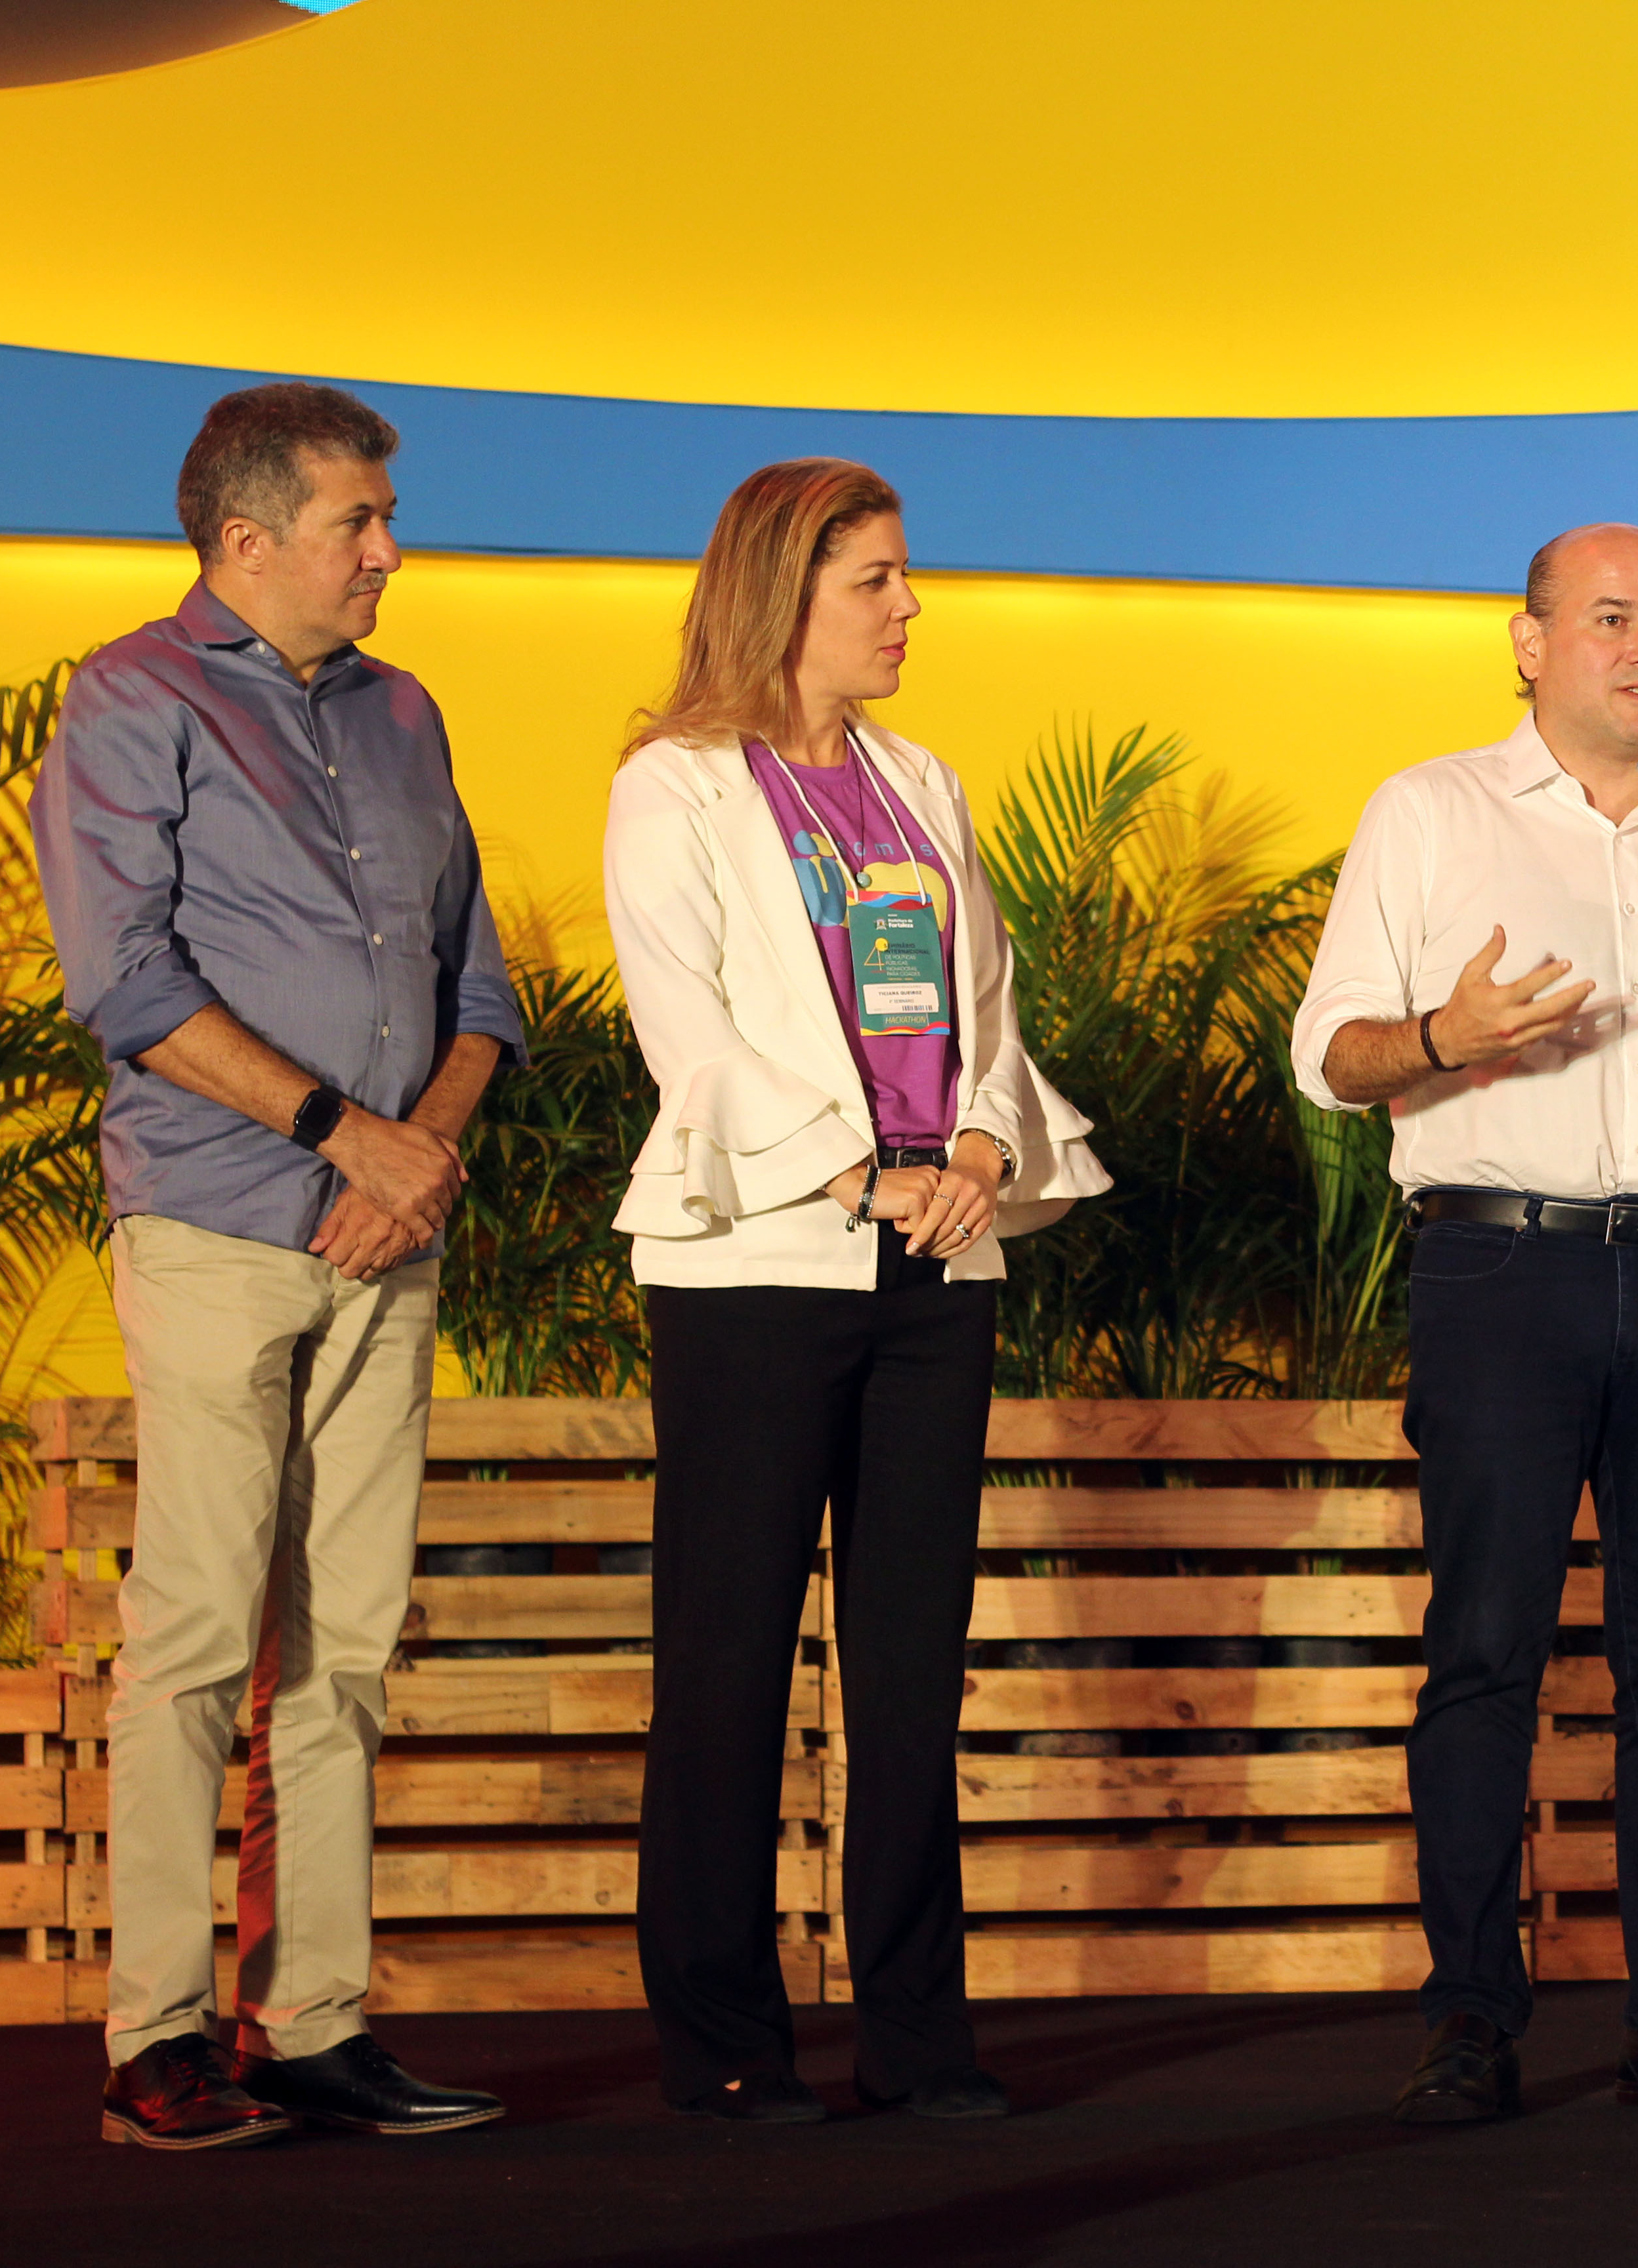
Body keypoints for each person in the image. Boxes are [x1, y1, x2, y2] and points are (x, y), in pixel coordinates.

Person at [1292, 522, 1638, 2122]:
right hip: (1502, 1269)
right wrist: (1445, 1037)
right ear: (1530, 644)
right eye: (1613, 620)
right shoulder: (1430, 810)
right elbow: (1338, 1054)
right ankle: (1469, 2017)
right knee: (1485, 1654)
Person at [35, 383, 526, 2147]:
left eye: (384, 521)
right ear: (244, 541)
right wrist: (344, 1137)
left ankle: (311, 2020)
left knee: (344, 1651)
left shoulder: (408, 714)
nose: (389, 553)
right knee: (190, 1637)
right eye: (357, 524)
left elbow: (483, 988)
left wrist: (422, 1162)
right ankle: (158, 2034)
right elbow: (126, 980)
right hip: (222, 1224)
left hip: (392, 1235)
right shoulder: (130, 698)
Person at [604, 459, 1108, 2121]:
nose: (909, 608)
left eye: (905, 577)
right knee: (732, 1658)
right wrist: (849, 1171)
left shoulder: (920, 780)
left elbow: (988, 1000)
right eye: (875, 580)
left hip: (935, 1262)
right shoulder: (674, 787)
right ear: (781, 591)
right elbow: (690, 1031)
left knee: (910, 1666)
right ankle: (729, 2044)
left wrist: (972, 1137)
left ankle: (917, 2034)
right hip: (757, 1263)